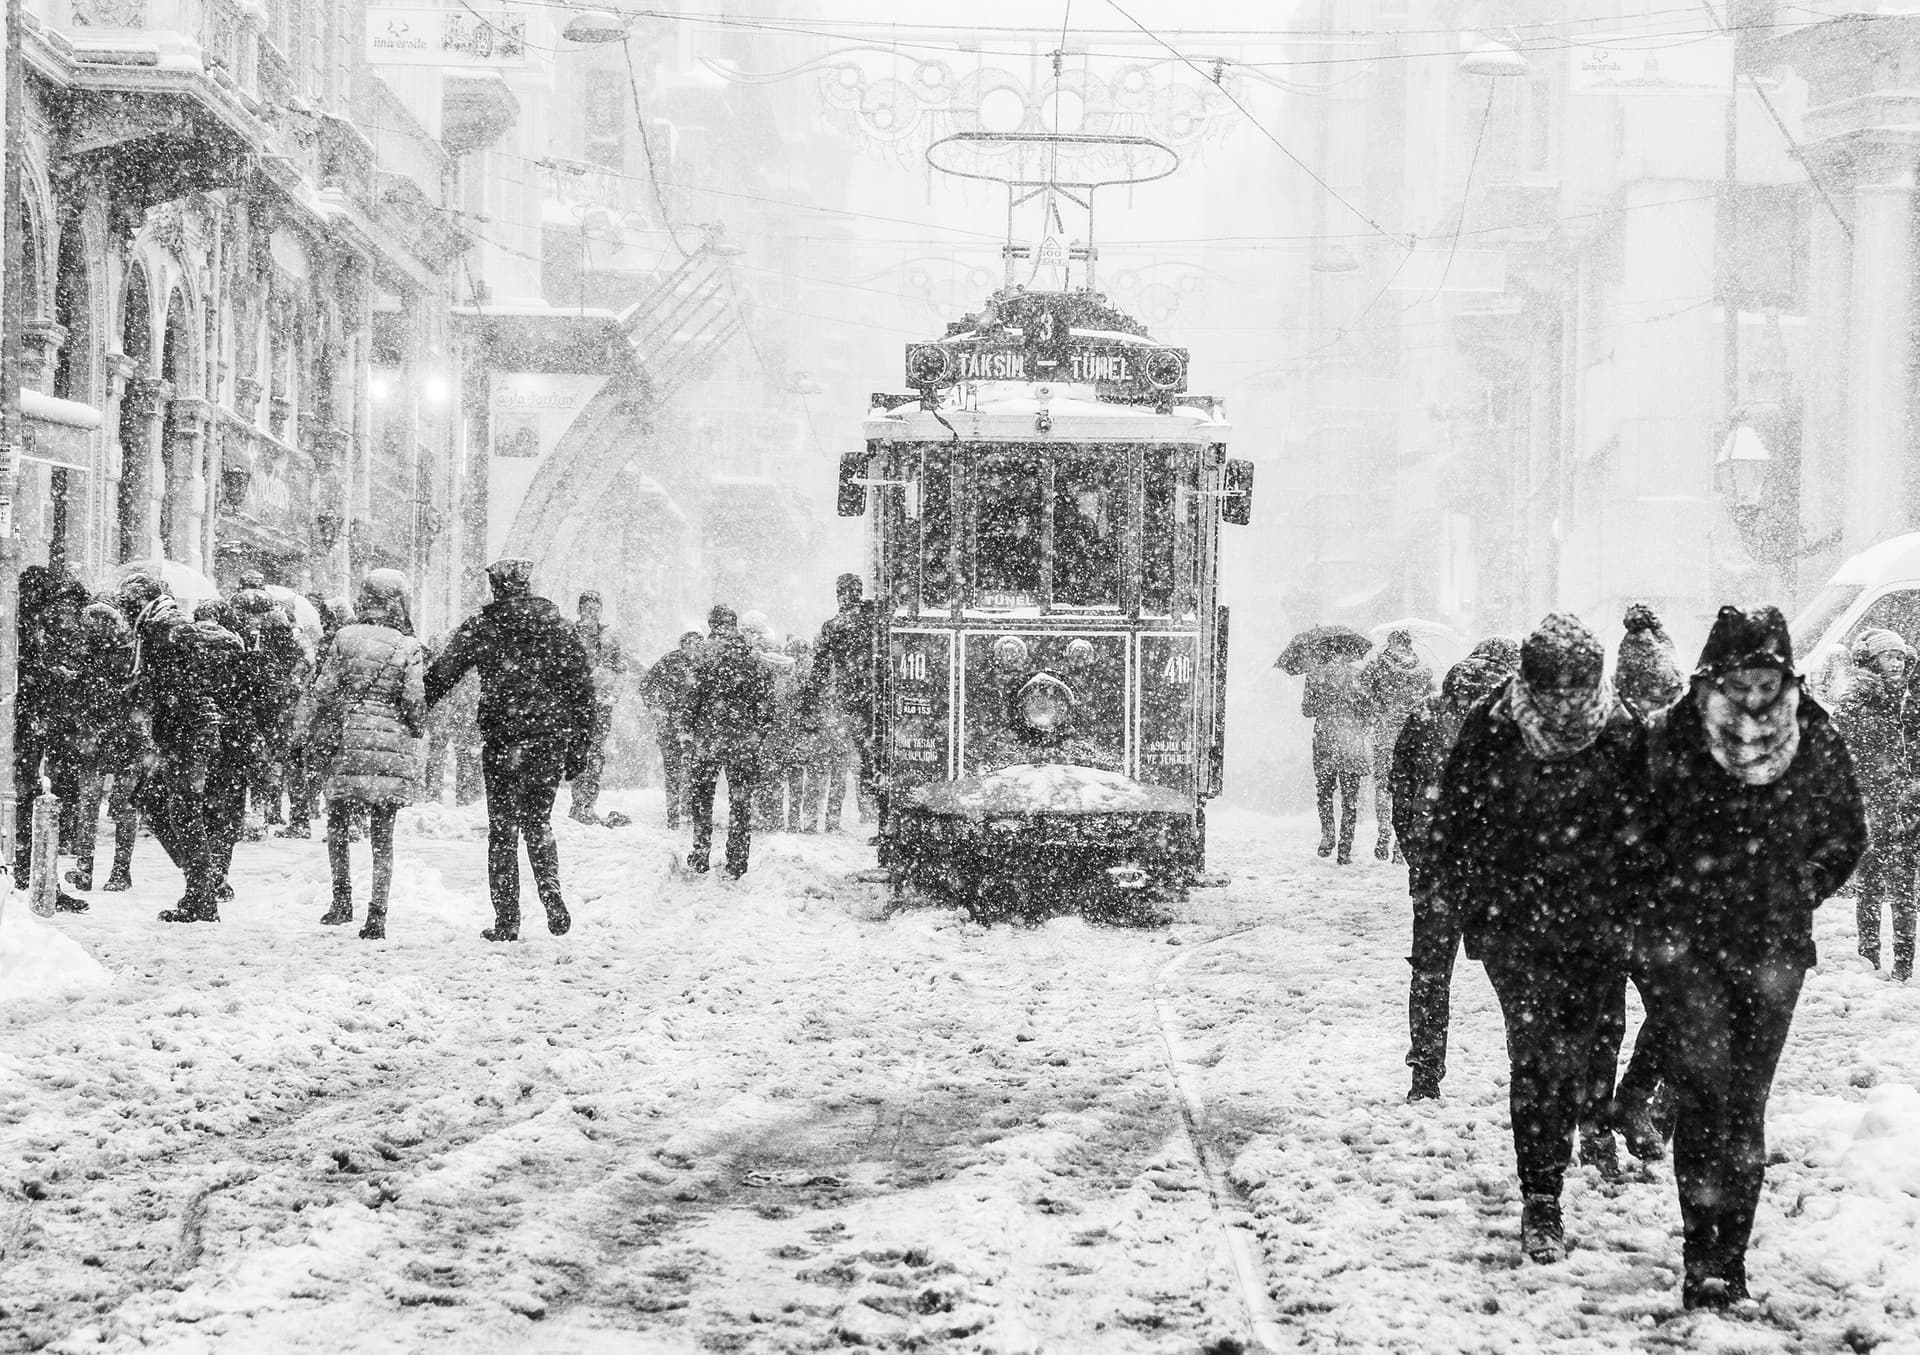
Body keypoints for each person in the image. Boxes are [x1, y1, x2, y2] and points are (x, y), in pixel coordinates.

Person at [1639, 605, 1866, 1309]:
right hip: (1695, 949)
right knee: (1709, 1096)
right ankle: (1703, 1250)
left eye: (1767, 671)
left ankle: (1724, 1255)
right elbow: (1636, 830)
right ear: (1717, 669)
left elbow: (1847, 832)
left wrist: (1796, 890)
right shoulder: (1678, 731)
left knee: (1739, 1105)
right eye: (1745, 671)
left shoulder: (1814, 733)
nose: (1755, 687)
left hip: (1767, 948)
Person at [1430, 612, 1650, 1264]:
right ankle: (1543, 1196)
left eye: (1572, 688)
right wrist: (1467, 902)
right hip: (1515, 927)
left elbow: (1650, 831)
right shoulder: (1492, 727)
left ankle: (1585, 1126)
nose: (1559, 703)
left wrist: (1637, 907)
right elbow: (1455, 821)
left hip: (1595, 928)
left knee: (1580, 1049)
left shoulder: (1622, 731)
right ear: (1529, 679)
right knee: (1536, 1056)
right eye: (1548, 688)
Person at [425, 558, 595, 942]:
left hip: (504, 738)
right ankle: (550, 890)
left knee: (502, 831)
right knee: (538, 821)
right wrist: (579, 744)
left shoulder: (483, 627)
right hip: (549, 737)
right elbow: (582, 691)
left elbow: (441, 676)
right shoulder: (559, 629)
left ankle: (506, 921)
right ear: (526, 584)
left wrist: (410, 708)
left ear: (497, 588)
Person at [1390, 637, 1519, 1101]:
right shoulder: (1510, 721)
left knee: (1429, 976)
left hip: (1437, 870)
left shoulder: (1426, 713)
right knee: (1512, 979)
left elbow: (1399, 792)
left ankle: (1424, 1076)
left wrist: (1418, 856)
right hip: (1492, 876)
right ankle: (1523, 1064)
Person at [1607, 603, 1690, 1164]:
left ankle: (1633, 1101)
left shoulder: (1682, 740)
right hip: (1613, 902)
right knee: (1599, 1024)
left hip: (1661, 904)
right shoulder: (1609, 738)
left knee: (1676, 1012)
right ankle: (1601, 1117)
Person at [310, 571, 428, 940]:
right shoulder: (408, 646)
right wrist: (414, 725)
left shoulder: (344, 638)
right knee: (382, 836)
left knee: (338, 826)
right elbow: (414, 703)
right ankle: (376, 914)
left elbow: (323, 691)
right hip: (389, 749)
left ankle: (341, 901)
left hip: (348, 743)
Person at [114, 573, 226, 924]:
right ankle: (203, 881)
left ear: (140, 603)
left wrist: (138, 693)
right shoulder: (164, 623)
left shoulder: (162, 628)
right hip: (187, 731)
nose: (127, 612)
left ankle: (203, 891)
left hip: (186, 734)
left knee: (181, 810)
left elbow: (171, 687)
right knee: (156, 801)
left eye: (129, 604)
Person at [1832, 627, 1916, 979]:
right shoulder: (1858, 701)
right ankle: (1869, 957)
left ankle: (1904, 964)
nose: (1895, 663)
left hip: (1908, 804)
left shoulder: (1911, 698)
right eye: (1887, 656)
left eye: (1899, 656)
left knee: (1905, 884)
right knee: (1870, 880)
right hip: (1870, 802)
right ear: (1871, 661)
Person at [12, 567, 91, 911]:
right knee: (31, 799)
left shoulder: (29, 627)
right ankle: (32, 882)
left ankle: (37, 880)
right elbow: (28, 675)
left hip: (36, 728)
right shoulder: (26, 630)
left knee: (36, 800)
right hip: (31, 729)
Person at [685, 604, 776, 878]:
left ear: (712, 624)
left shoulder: (703, 657)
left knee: (702, 799)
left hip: (708, 738)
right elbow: (766, 700)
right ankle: (737, 859)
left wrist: (687, 730)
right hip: (742, 741)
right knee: (740, 802)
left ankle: (701, 853)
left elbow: (691, 698)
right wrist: (759, 732)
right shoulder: (750, 656)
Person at [66, 600, 143, 894]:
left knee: (102, 806)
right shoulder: (126, 652)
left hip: (109, 738)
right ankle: (107, 870)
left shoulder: (119, 655)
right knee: (112, 807)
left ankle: (105, 870)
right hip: (113, 738)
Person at [190, 600, 257, 903]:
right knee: (228, 809)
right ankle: (220, 869)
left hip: (196, 733)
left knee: (198, 807)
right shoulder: (237, 647)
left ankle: (200, 873)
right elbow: (251, 696)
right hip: (233, 738)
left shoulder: (185, 642)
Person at [809, 574, 877, 831]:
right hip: (879, 700)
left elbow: (819, 672)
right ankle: (876, 814)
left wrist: (809, 706)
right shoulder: (874, 619)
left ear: (839, 594)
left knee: (858, 757)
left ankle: (871, 811)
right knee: (873, 757)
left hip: (852, 702)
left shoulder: (835, 626)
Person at [1360, 629, 1434, 860]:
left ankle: (1384, 832)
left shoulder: (1377, 667)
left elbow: (1362, 695)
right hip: (1413, 737)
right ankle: (1401, 845)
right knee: (1408, 788)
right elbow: (1430, 703)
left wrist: (1376, 709)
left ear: (1391, 643)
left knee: (1383, 785)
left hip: (1385, 735)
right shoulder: (1422, 671)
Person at [1301, 658, 1374, 864]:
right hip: (1350, 741)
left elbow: (1306, 710)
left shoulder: (1315, 675)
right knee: (1350, 799)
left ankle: (1328, 835)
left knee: (1324, 792)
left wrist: (1323, 698)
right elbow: (1368, 712)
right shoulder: (1359, 675)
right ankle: (1345, 848)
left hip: (1325, 740)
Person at [568, 590, 628, 825]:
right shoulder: (570, 634)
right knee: (577, 752)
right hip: (575, 706)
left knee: (595, 754)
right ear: (580, 609)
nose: (590, 612)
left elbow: (621, 670)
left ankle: (587, 803)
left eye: (595, 607)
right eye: (586, 607)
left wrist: (613, 695)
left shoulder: (609, 638)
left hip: (601, 706)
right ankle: (578, 802)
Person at [641, 631, 702, 829]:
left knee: (695, 770)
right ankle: (673, 815)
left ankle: (690, 811)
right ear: (682, 644)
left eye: (697, 644)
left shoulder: (705, 664)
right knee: (673, 771)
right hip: (670, 725)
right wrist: (655, 708)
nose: (693, 648)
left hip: (695, 727)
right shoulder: (669, 661)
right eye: (689, 643)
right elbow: (646, 684)